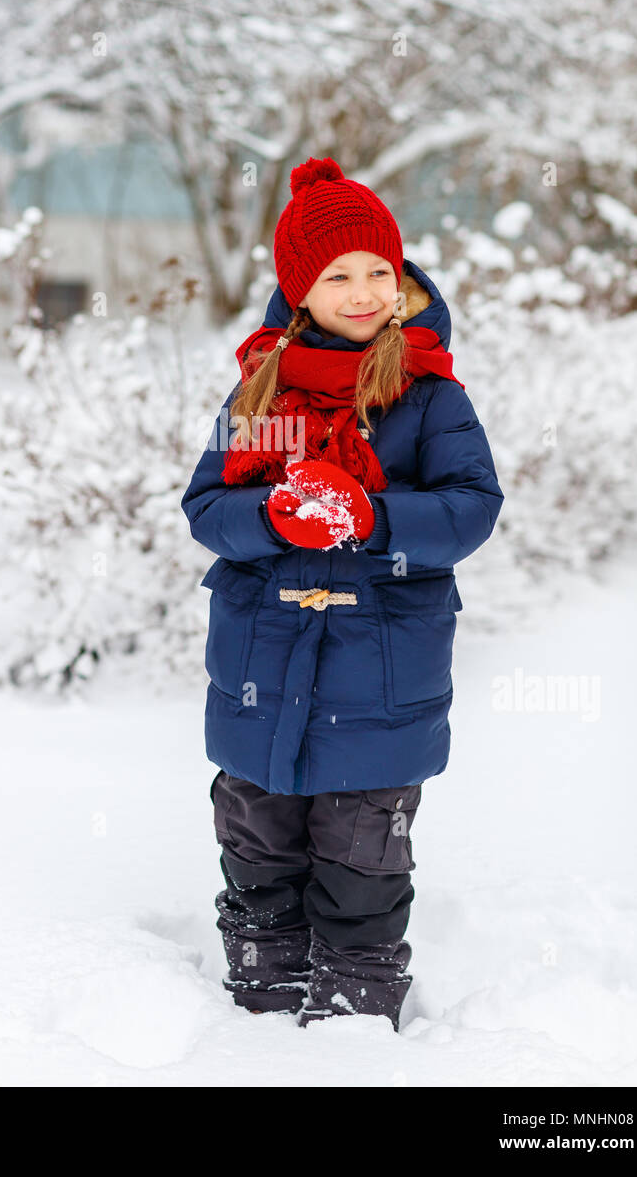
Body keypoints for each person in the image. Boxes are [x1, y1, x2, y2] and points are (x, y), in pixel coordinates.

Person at [180, 155, 504, 1030]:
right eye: (338, 275)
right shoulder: (264, 392)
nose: (363, 292)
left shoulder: (428, 395)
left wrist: (373, 513)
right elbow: (208, 507)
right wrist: (278, 515)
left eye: (379, 273)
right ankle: (258, 1009)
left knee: (364, 858)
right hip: (260, 670)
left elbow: (473, 507)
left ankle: (355, 1025)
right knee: (256, 846)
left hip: (382, 677)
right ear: (298, 288)